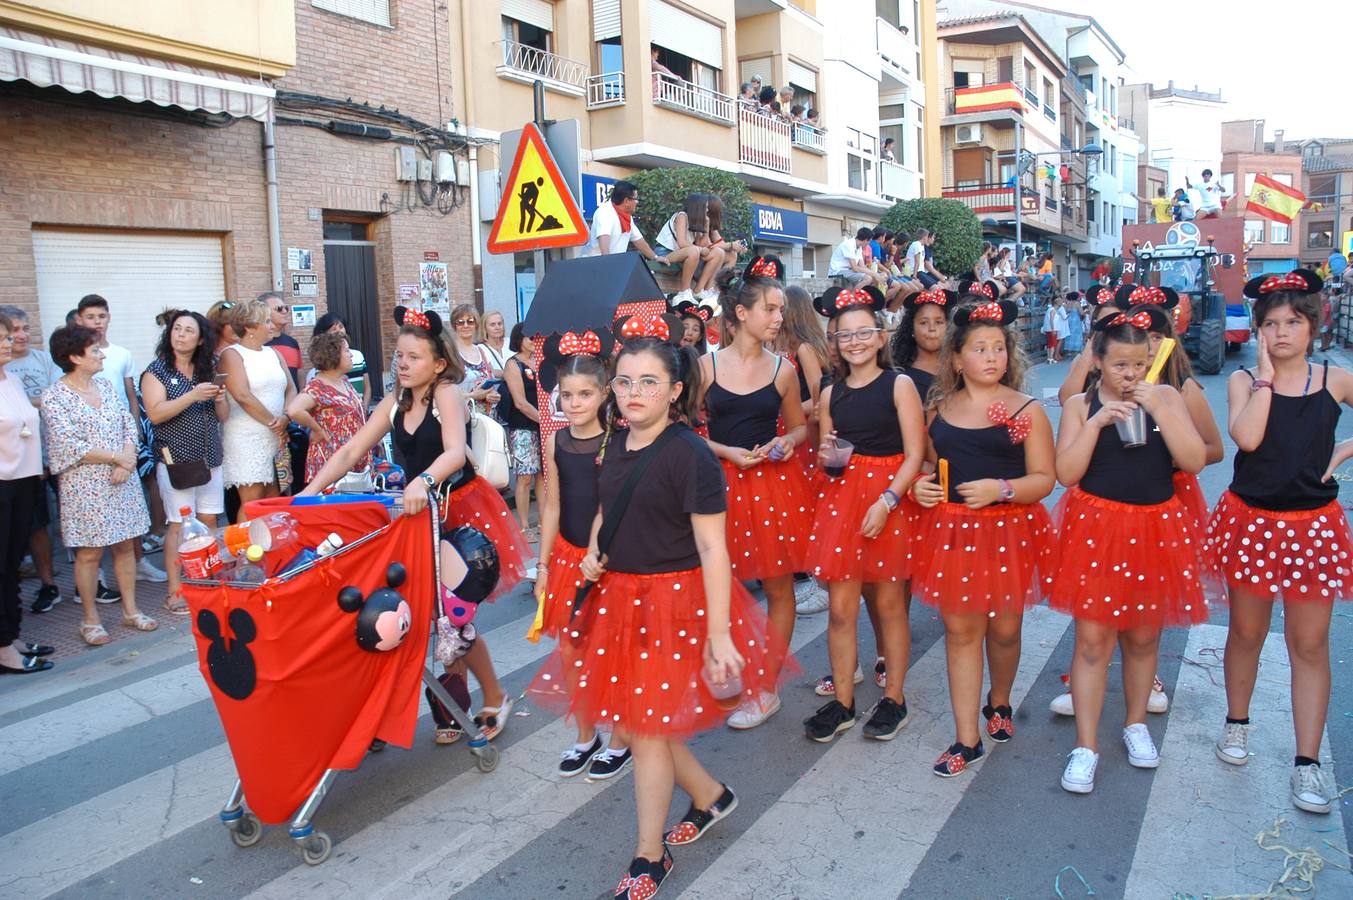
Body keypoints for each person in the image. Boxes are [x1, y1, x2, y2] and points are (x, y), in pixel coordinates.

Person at [528, 324, 782, 900]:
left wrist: (719, 634)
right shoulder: (616, 441)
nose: (634, 392)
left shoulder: (691, 454)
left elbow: (715, 548)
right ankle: (712, 797)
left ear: (674, 390)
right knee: (647, 720)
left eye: (649, 381)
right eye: (624, 382)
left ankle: (649, 855)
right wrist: (594, 551)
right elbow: (606, 510)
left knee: (644, 725)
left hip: (675, 603)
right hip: (621, 597)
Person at [303, 307, 530, 740]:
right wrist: (308, 494)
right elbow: (352, 451)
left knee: (453, 618)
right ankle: (453, 704)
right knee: (425, 613)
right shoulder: (395, 400)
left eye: (414, 357)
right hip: (416, 517)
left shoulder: (446, 393)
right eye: (400, 357)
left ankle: (492, 696)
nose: (403, 364)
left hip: (457, 511)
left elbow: (454, 453)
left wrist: (423, 481)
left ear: (439, 363)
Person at [1049, 307, 1218, 794]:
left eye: (1139, 364)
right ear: (1098, 360)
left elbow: (1193, 460)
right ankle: (1086, 746)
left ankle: (1136, 724)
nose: (1130, 375)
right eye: (1120, 365)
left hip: (1155, 529)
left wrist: (1162, 409)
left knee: (1144, 639)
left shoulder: (1165, 394)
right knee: (1092, 643)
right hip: (1096, 530)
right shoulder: (1081, 404)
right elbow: (1067, 473)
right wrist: (1098, 422)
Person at [1208, 269, 1353, 816]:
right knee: (1246, 632)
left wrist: (1344, 452)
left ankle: (1307, 763)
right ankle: (1237, 724)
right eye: (1270, 324)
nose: (1282, 332)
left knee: (1309, 645)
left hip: (1313, 526)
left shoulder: (1333, 380)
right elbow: (1246, 438)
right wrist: (1266, 377)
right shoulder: (1247, 382)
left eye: (1293, 321)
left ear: (1313, 326)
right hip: (1253, 521)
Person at [911, 299, 1055, 776]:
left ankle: (1000, 701)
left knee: (1006, 629)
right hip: (950, 532)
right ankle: (965, 738)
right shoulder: (940, 407)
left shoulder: (1028, 410)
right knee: (960, 631)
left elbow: (1044, 479)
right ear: (957, 359)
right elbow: (932, 463)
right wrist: (922, 486)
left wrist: (1003, 488)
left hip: (1009, 531)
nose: (991, 356)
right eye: (979, 348)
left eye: (998, 347)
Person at [804, 286, 924, 742]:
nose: (854, 342)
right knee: (839, 609)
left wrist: (888, 501)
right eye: (844, 335)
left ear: (879, 337)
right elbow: (828, 450)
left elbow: (914, 454)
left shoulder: (900, 385)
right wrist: (826, 454)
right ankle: (844, 703)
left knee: (890, 604)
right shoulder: (831, 392)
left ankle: (894, 697)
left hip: (887, 500)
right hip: (842, 499)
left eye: (863, 333)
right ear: (835, 342)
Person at [697, 259, 812, 730]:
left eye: (781, 309)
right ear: (741, 313)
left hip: (772, 485)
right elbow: (683, 431)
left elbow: (801, 427)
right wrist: (725, 449)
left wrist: (787, 442)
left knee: (779, 585)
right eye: (770, 308)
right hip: (717, 485)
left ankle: (765, 687)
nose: (779, 318)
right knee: (717, 586)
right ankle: (724, 671)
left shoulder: (784, 369)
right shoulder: (704, 366)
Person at [532, 328, 632, 779]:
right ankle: (586, 734)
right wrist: (544, 565)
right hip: (570, 557)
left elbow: (618, 506)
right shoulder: (555, 441)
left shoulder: (618, 442)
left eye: (584, 394)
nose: (574, 404)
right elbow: (552, 503)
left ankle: (622, 738)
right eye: (566, 395)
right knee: (572, 650)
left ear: (604, 393)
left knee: (615, 650)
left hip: (612, 561)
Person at [42, 325, 159, 645]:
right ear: (73, 357)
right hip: (85, 485)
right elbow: (68, 444)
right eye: (94, 350)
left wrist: (127, 457)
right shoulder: (55, 396)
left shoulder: (106, 387)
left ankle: (131, 610)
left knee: (124, 545)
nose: (101, 354)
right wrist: (116, 459)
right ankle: (90, 619)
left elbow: (127, 423)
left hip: (121, 477)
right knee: (90, 553)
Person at [141, 311, 228, 615]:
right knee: (178, 525)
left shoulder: (207, 369)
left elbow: (223, 416)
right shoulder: (156, 371)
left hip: (210, 456)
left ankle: (206, 581)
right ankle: (176, 590)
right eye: (176, 329)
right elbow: (155, 414)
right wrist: (192, 396)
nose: (180, 335)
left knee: (210, 522)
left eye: (188, 330)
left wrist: (218, 398)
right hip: (177, 458)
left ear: (200, 339)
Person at [0, 305, 64, 613]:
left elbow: (56, 400)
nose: (18, 336)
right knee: (34, 527)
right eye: (11, 332)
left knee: (69, 519)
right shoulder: (7, 370)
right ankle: (47, 585)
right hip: (15, 470)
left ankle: (89, 581)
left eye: (23, 329)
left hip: (50, 457)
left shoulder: (40, 362)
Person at [218, 299, 294, 506]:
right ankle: (247, 539)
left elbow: (291, 388)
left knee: (275, 496)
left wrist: (286, 417)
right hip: (247, 437)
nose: (272, 325)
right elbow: (242, 395)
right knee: (252, 500)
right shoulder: (232, 354)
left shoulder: (274, 353)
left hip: (277, 435)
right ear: (249, 327)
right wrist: (275, 423)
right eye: (267, 321)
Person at [288, 330, 370, 484]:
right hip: (331, 461)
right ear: (333, 355)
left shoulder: (344, 381)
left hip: (353, 459)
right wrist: (318, 430)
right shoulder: (318, 386)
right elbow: (295, 410)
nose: (351, 354)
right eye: (346, 350)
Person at [502, 323, 543, 537]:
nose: (535, 342)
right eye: (530, 338)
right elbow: (519, 402)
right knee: (525, 476)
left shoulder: (542, 362)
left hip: (542, 426)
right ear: (519, 339)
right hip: (523, 427)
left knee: (543, 477)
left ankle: (544, 523)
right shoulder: (513, 364)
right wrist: (543, 420)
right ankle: (524, 525)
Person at [655, 194, 720, 305]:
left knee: (718, 253)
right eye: (706, 207)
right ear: (698, 208)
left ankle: (699, 290)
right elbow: (682, 243)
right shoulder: (682, 216)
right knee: (693, 251)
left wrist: (706, 225)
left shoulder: (696, 221)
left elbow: (702, 244)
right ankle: (684, 292)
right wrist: (699, 249)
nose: (707, 210)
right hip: (665, 253)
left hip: (682, 254)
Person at [304, 313, 372, 410]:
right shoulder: (317, 373)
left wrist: (364, 409)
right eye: (333, 329)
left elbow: (367, 387)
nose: (339, 331)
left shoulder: (358, 356)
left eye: (341, 327)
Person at [447, 304, 500, 416]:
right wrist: (473, 395)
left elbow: (491, 384)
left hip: (486, 419)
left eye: (470, 321)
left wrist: (492, 395)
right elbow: (444, 393)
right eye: (460, 322)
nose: (466, 325)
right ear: (454, 325)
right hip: (461, 417)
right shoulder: (450, 353)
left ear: (476, 325)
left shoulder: (482, 351)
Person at [584, 180, 659, 260]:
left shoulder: (626, 216)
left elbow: (638, 240)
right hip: (595, 265)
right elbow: (604, 242)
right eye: (635, 199)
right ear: (626, 201)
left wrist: (655, 257)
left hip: (613, 264)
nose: (637, 202)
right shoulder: (605, 212)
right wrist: (608, 264)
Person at [478, 311, 508, 375]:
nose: (497, 327)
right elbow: (486, 372)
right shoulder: (480, 348)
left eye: (500, 323)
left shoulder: (511, 343)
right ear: (484, 328)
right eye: (492, 324)